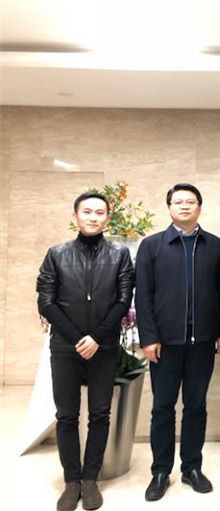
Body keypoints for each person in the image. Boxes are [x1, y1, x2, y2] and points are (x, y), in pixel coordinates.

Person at [37, 191, 134, 511]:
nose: (93, 217)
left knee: (100, 414)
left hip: (104, 348)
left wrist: (96, 338)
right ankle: (72, 481)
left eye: (99, 212)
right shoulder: (56, 254)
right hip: (65, 348)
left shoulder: (120, 254)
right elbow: (46, 302)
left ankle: (90, 479)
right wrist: (79, 338)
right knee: (66, 415)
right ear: (75, 216)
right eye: (87, 211)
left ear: (108, 217)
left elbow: (123, 301)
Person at [135, 183, 220, 501]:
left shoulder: (215, 245)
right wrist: (149, 337)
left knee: (196, 406)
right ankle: (161, 471)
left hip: (202, 341)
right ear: (169, 207)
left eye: (190, 201)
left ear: (199, 207)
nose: (185, 206)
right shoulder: (152, 245)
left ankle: (192, 468)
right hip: (165, 343)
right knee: (162, 408)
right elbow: (143, 295)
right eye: (178, 202)